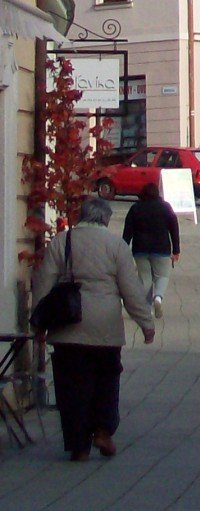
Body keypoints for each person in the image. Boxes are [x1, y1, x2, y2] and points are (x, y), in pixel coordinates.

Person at [32, 195, 155, 461]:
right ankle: (102, 430)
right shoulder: (116, 246)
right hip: (106, 329)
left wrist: (39, 322)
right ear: (107, 218)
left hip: (68, 326)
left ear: (81, 215)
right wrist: (146, 323)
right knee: (106, 381)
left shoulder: (62, 241)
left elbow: (43, 283)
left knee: (71, 386)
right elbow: (131, 291)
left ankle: (78, 444)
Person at [121, 179, 180, 318]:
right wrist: (176, 250)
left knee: (144, 279)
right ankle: (158, 298)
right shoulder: (166, 207)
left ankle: (145, 308)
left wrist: (123, 248)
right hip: (161, 249)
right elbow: (174, 229)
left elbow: (127, 231)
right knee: (162, 276)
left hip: (140, 249)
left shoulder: (135, 208)